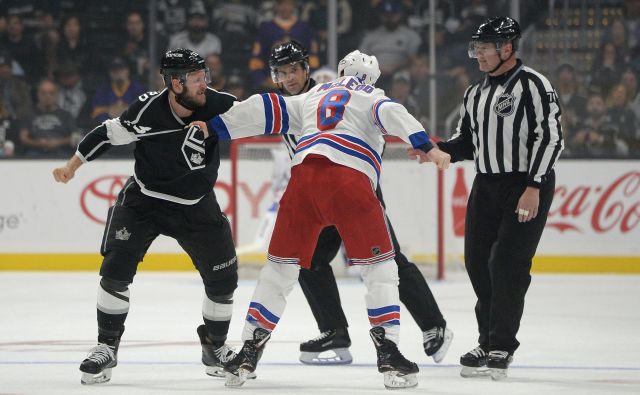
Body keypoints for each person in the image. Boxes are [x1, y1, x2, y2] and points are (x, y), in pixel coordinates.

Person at [194, 49, 451, 389]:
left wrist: (213, 128)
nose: (286, 78)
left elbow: (263, 109)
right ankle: (388, 352)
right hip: (351, 183)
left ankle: (248, 352)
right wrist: (427, 145)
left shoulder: (313, 94)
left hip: (303, 183)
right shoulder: (371, 95)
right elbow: (392, 112)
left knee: (280, 269)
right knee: (380, 268)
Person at [52, 49, 241, 385]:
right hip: (144, 201)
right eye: (197, 78)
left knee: (224, 281)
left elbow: (259, 116)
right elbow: (105, 134)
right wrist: (71, 167)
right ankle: (106, 347)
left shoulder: (220, 104)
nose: (205, 84)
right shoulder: (146, 110)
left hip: (196, 203)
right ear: (175, 83)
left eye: (204, 76)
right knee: (114, 271)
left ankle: (215, 347)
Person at [268, 40, 453, 367]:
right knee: (308, 261)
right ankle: (334, 331)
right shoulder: (284, 104)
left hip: (353, 189)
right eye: (282, 73)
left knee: (387, 259)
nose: (289, 78)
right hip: (316, 192)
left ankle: (433, 324)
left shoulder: (327, 90)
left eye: (293, 70)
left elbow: (375, 120)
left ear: (306, 69)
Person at [436, 17, 564, 380]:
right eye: (476, 47)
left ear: (507, 48)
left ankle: (501, 345)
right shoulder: (474, 93)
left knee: (508, 264)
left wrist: (535, 185)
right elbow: (467, 141)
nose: (476, 54)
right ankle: (486, 338)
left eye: (484, 47)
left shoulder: (535, 85)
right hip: (486, 186)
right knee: (476, 261)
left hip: (524, 184)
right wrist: (439, 149)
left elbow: (551, 138)